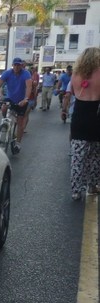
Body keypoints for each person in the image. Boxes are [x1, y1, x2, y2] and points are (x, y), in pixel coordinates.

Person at [64, 47, 100, 200]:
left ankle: (76, 190)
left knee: (78, 157)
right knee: (95, 156)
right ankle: (92, 185)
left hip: (79, 117)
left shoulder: (76, 75)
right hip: (96, 117)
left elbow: (72, 93)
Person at [0, 57, 32, 154]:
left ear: (21, 65)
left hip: (21, 100)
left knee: (20, 122)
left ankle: (18, 143)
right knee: (4, 107)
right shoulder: (7, 73)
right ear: (12, 65)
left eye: (18, 65)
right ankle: (6, 122)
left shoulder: (26, 74)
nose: (17, 67)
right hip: (10, 98)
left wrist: (26, 99)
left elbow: (29, 87)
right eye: (15, 65)